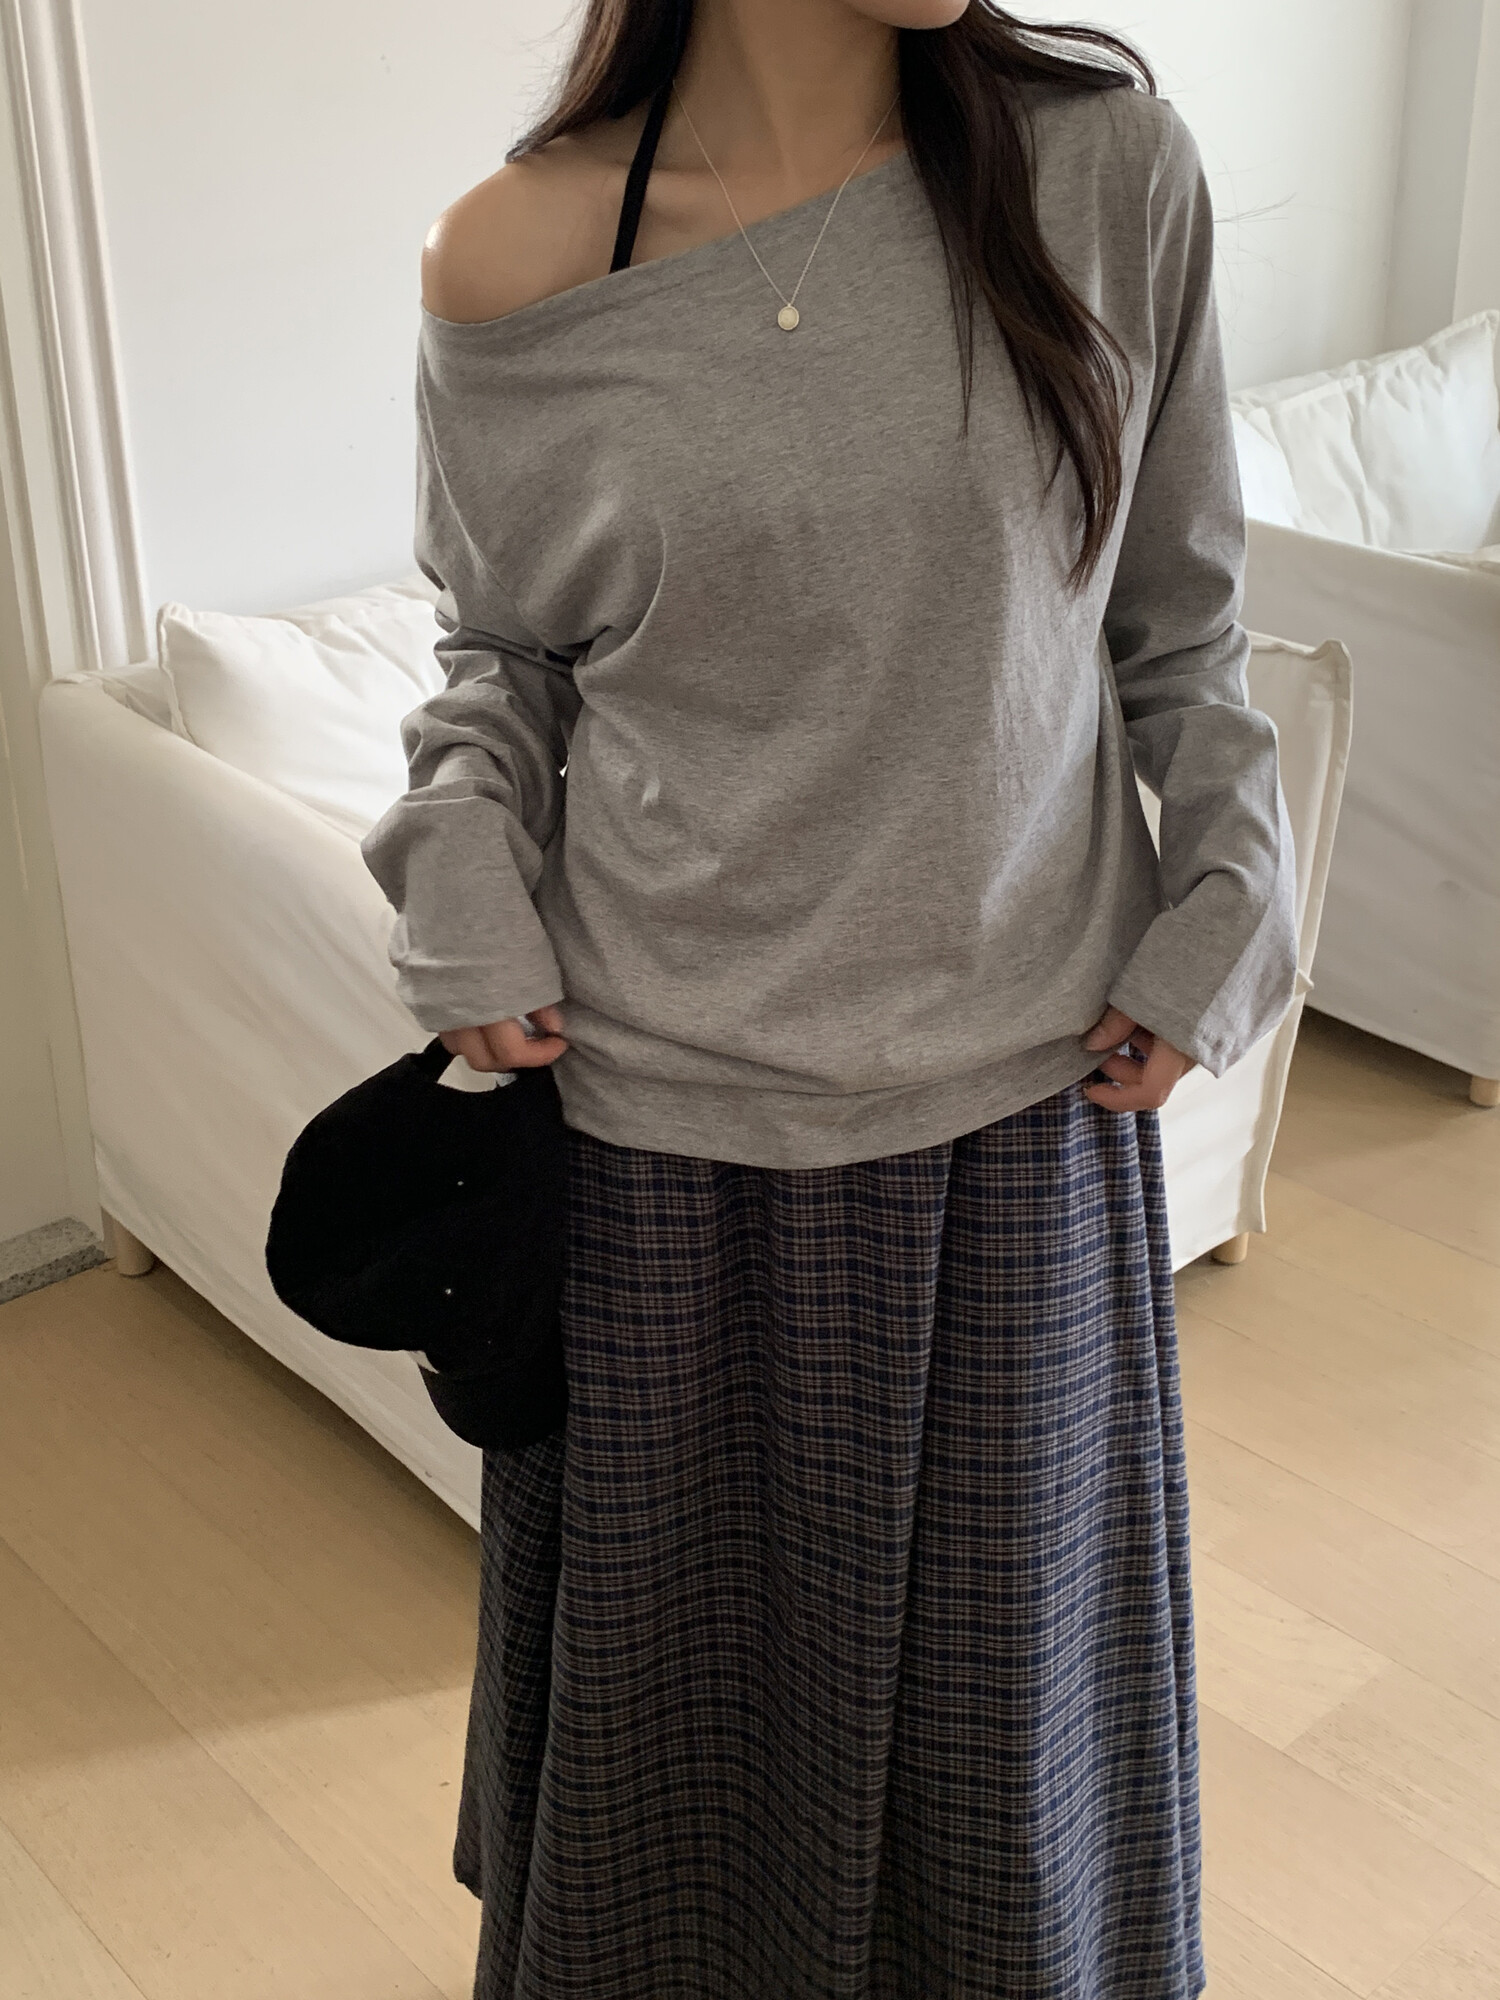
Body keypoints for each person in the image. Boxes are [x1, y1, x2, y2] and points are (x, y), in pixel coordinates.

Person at [360, 2, 1297, 1993]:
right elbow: (502, 661)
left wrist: (1229, 893)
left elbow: (1187, 622)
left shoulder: (1108, 171)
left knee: (1007, 1829)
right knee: (678, 1845)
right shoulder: (511, 257)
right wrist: (461, 884)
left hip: (1020, 1138)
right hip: (656, 1162)